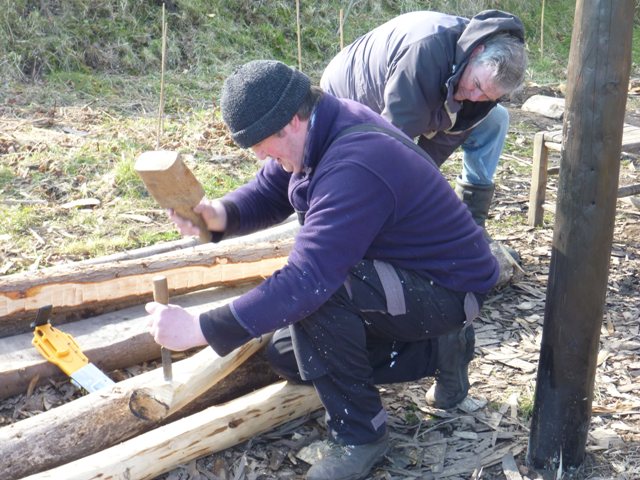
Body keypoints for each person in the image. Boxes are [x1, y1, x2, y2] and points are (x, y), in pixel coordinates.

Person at [145, 60, 499, 480]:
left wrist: (201, 328)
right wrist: (218, 216)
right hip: (398, 275)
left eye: (261, 144)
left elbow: (308, 280)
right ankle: (439, 350)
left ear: (292, 121)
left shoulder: (356, 164)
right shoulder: (321, 126)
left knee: (319, 297)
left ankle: (360, 434)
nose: (260, 155)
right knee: (288, 353)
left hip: (445, 289)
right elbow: (272, 187)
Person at [321, 9, 527, 245]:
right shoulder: (425, 56)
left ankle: (472, 222)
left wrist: (423, 179)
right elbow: (391, 143)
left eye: (486, 95)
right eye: (477, 84)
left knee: (496, 120)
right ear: (476, 52)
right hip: (352, 89)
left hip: (422, 90)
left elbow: (440, 144)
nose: (474, 96)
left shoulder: (478, 87)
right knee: (380, 165)